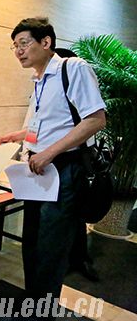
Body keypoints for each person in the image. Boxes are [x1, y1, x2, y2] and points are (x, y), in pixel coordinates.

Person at [0, 17, 106, 321]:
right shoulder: (39, 79)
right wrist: (18, 136)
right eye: (15, 46)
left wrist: (49, 153)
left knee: (50, 252)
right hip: (39, 171)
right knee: (31, 245)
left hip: (65, 170)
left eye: (24, 43)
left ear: (46, 42)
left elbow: (95, 120)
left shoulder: (74, 69)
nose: (18, 51)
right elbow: (44, 126)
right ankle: (31, 313)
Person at [55, 48, 100, 283]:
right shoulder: (44, 87)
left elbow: (92, 123)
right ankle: (69, 260)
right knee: (63, 217)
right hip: (55, 163)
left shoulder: (76, 76)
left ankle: (80, 258)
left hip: (76, 160)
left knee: (77, 214)